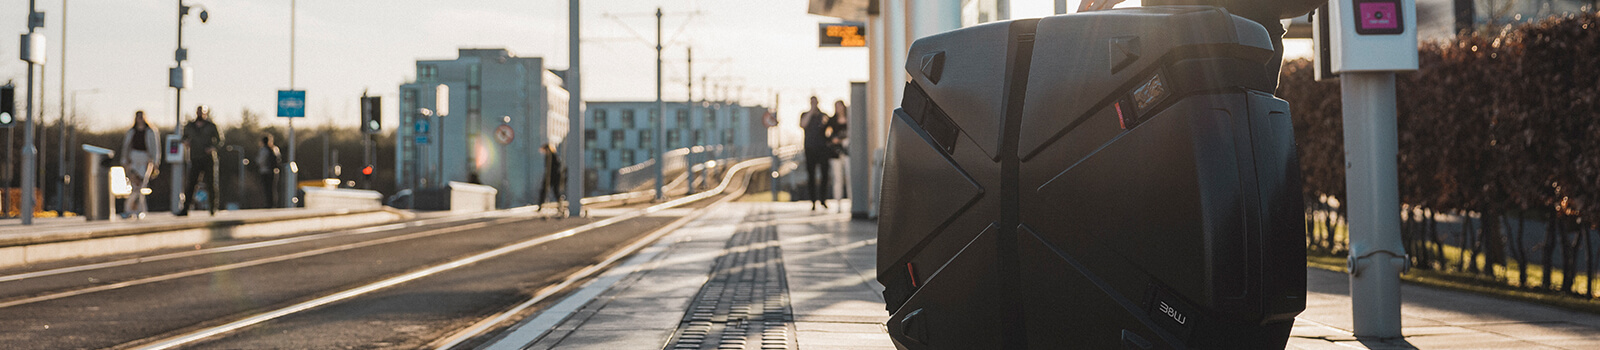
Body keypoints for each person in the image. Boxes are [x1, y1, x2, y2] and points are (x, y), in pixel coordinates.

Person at [179, 105, 222, 216]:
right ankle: (186, 208)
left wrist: (213, 147)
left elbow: (220, 140)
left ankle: (213, 208)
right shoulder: (190, 126)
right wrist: (185, 142)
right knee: (191, 184)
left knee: (211, 184)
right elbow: (184, 137)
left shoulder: (211, 126)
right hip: (195, 157)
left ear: (205, 113)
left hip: (208, 158)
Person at [119, 111, 161, 219]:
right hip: (133, 158)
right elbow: (126, 146)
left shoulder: (151, 131)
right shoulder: (131, 131)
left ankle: (139, 210)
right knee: (134, 185)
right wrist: (125, 160)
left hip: (145, 159)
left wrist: (155, 162)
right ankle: (130, 210)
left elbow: (155, 148)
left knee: (141, 185)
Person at [801, 96, 837, 210]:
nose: (814, 104)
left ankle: (823, 199)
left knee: (824, 175)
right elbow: (803, 124)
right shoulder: (805, 115)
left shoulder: (823, 115)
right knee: (811, 175)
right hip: (810, 148)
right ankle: (812, 201)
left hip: (822, 148)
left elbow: (831, 129)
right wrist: (811, 112)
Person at [538, 144, 565, 214]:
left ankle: (560, 206)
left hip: (554, 176)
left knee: (556, 191)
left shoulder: (554, 156)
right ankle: (540, 205)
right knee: (543, 190)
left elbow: (557, 166)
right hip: (548, 176)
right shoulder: (547, 157)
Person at [256, 134, 281, 209]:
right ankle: (274, 203)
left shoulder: (263, 150)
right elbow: (279, 159)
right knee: (273, 188)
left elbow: (260, 161)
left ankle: (268, 204)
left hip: (265, 171)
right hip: (274, 171)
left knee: (266, 188)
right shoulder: (275, 149)